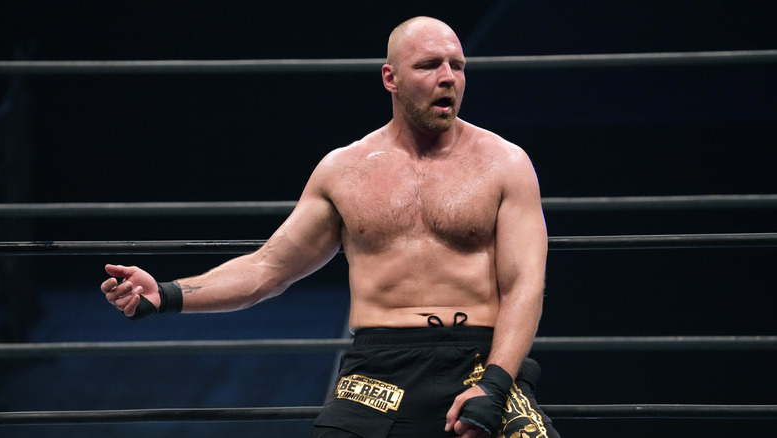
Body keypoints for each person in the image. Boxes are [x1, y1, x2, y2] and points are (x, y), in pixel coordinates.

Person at [101, 16, 559, 438]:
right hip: (378, 368)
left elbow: (524, 285)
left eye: (457, 66)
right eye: (429, 65)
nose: (448, 78)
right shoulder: (344, 170)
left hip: (481, 359)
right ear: (390, 78)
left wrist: (496, 385)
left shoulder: (505, 163)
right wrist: (167, 294)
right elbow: (267, 270)